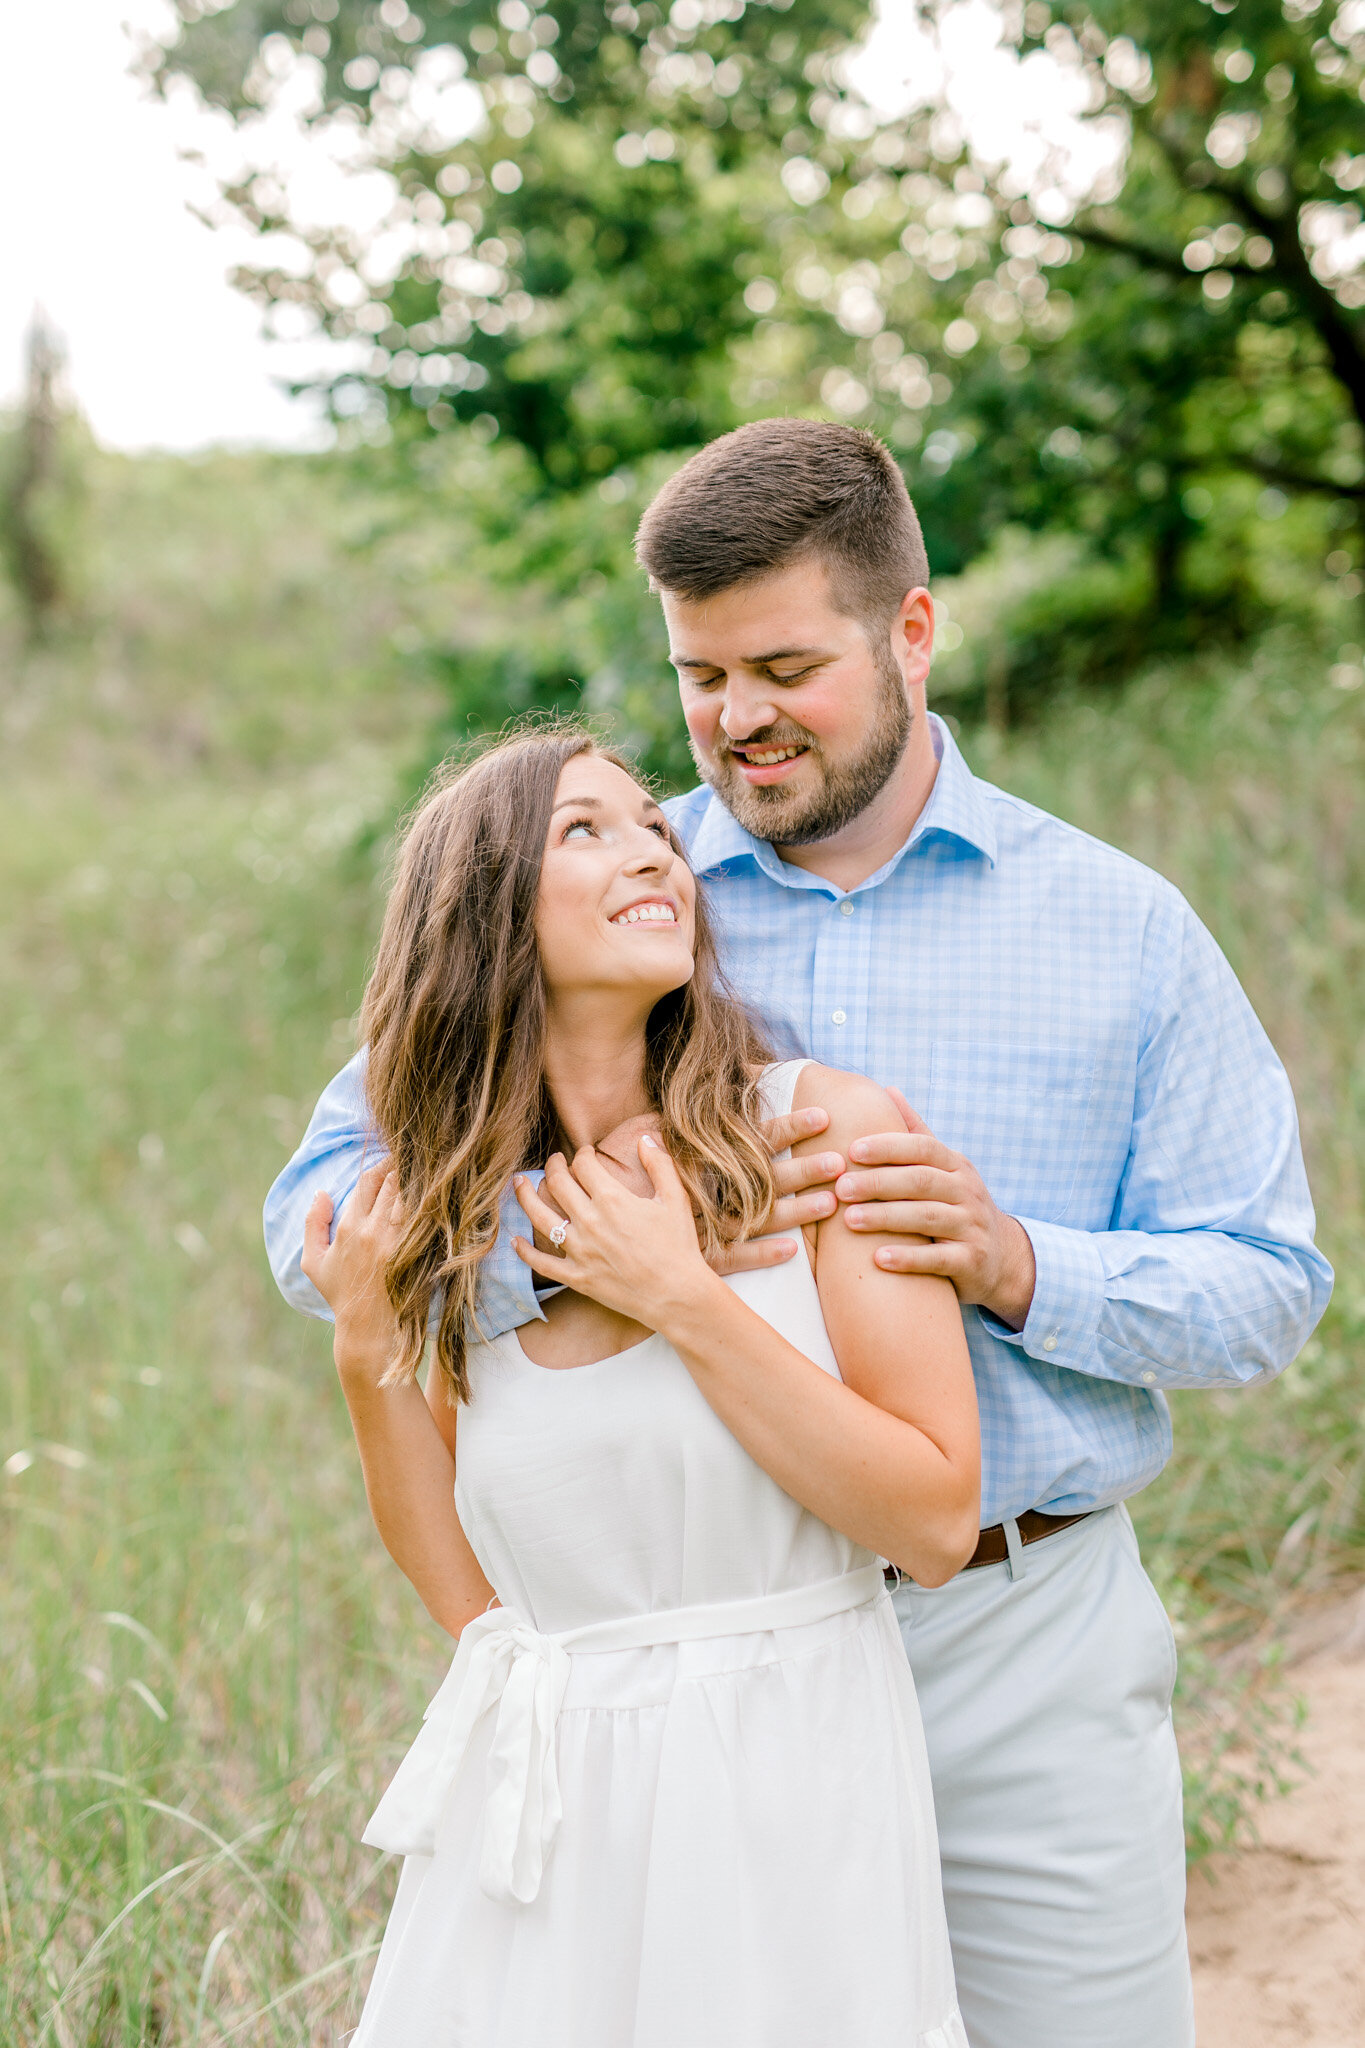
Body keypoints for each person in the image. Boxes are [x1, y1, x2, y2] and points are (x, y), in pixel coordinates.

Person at [267, 419, 1333, 2048]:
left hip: (1004, 1626)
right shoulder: (620, 886)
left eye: (782, 666)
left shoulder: (1111, 927)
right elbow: (337, 1201)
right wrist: (581, 1259)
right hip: (684, 1659)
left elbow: (1265, 1286)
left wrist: (1015, 1263)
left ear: (910, 629)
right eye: (699, 676)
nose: (734, 721)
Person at [297, 728, 979, 2047]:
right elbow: (472, 1605)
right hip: (552, 1810)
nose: (652, 851)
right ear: (486, 914)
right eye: (586, 831)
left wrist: (680, 1295)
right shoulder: (451, 1223)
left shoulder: (824, 1134)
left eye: (655, 829)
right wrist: (362, 1342)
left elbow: (934, 1520)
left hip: (791, 1781)